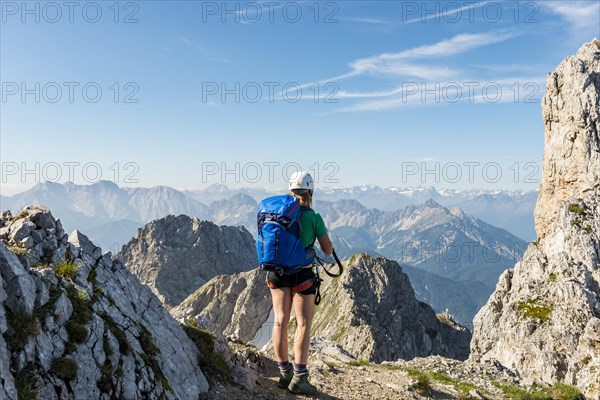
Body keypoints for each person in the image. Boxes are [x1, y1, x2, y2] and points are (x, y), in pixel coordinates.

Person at [266, 171, 333, 395]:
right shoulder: (314, 217)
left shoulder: (278, 213)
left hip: (277, 273)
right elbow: (327, 249)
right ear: (310, 192)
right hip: (303, 276)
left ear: (291, 191)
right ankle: (300, 377)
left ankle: (283, 373)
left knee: (280, 322)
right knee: (303, 325)